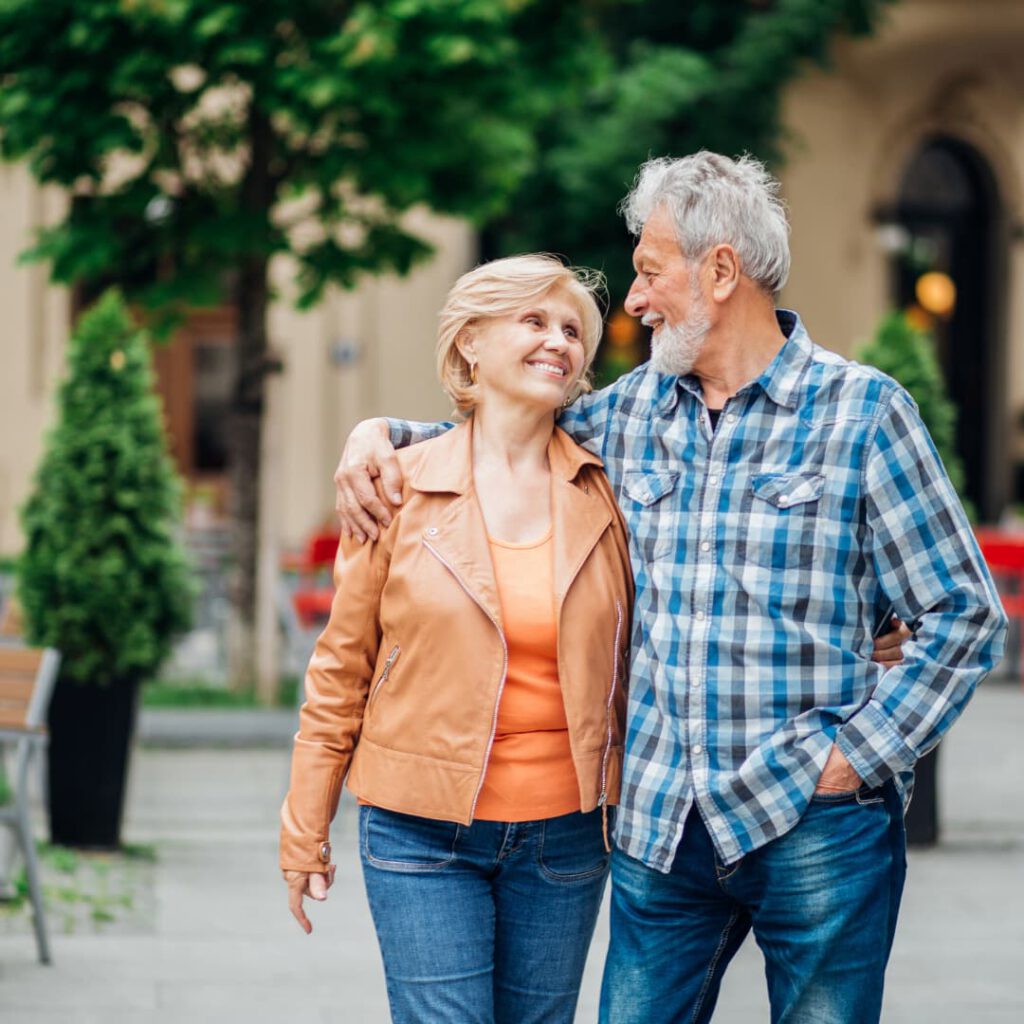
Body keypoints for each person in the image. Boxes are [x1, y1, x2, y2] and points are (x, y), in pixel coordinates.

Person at [333, 151, 1006, 1024]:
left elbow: (962, 615)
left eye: (650, 272)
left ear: (721, 271)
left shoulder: (864, 414)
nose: (636, 299)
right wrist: (374, 435)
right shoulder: (628, 413)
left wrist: (859, 758)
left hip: (815, 824)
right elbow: (490, 432)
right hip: (660, 826)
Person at [281, 254, 635, 1024]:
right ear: (470, 342)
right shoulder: (395, 486)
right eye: (533, 320)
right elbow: (341, 670)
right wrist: (305, 826)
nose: (559, 342)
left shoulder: (607, 490)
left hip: (567, 837)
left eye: (572, 329)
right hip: (419, 830)